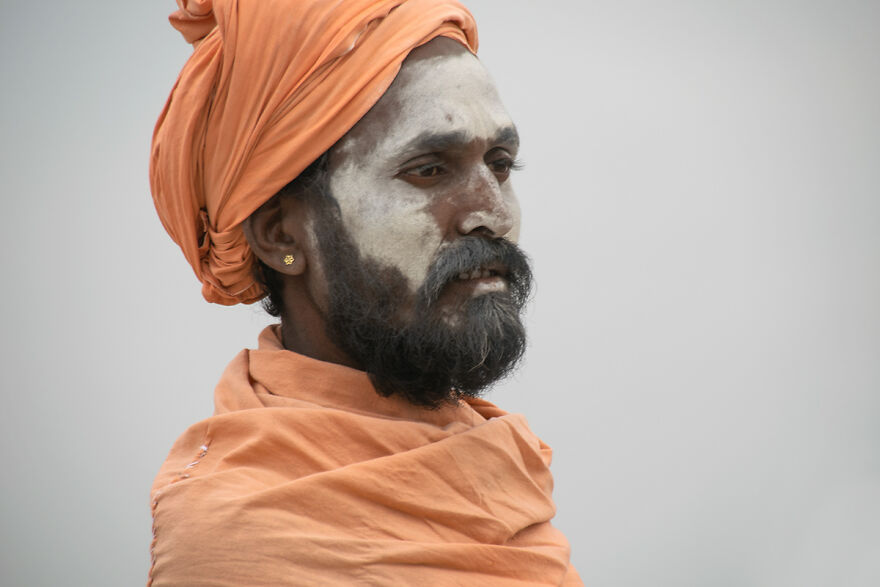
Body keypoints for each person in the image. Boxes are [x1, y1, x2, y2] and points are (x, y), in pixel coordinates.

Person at [149, 0, 582, 585]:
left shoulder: (502, 466)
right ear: (281, 234)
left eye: (500, 165)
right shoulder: (245, 538)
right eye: (429, 170)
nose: (493, 213)